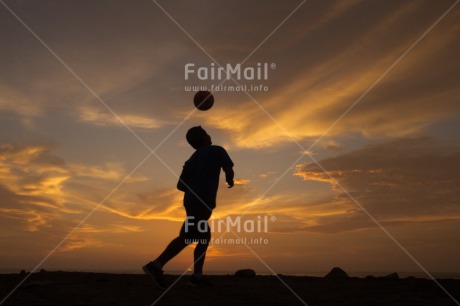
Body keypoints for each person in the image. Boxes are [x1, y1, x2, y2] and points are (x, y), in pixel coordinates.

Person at [143, 126, 234, 288]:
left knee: (203, 238)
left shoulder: (191, 160)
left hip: (191, 200)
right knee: (188, 236)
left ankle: (197, 276)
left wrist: (195, 185)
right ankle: (155, 266)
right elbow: (228, 168)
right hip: (202, 201)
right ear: (205, 138)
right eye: (206, 133)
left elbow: (180, 185)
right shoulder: (217, 150)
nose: (209, 135)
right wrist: (229, 179)